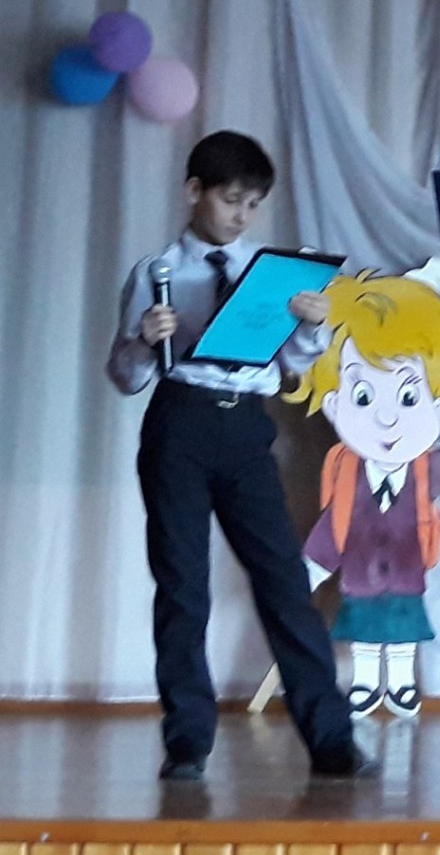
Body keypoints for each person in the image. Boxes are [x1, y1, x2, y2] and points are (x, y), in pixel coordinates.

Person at [106, 130, 373, 782]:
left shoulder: (269, 271)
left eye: (253, 204)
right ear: (194, 191)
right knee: (181, 586)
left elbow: (289, 365)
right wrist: (142, 340)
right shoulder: (157, 271)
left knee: (284, 582)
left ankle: (332, 740)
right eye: (230, 200)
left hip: (248, 428)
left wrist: (310, 325)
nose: (241, 216)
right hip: (180, 422)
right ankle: (187, 744)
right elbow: (125, 376)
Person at [290, 270, 440, 720]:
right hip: (360, 580)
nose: (387, 419)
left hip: (407, 577)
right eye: (364, 396)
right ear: (334, 402)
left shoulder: (427, 471)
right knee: (365, 635)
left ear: (438, 403)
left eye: (408, 397)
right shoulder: (347, 477)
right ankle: (367, 682)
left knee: (404, 634)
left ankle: (402, 683)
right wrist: (309, 572)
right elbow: (332, 527)